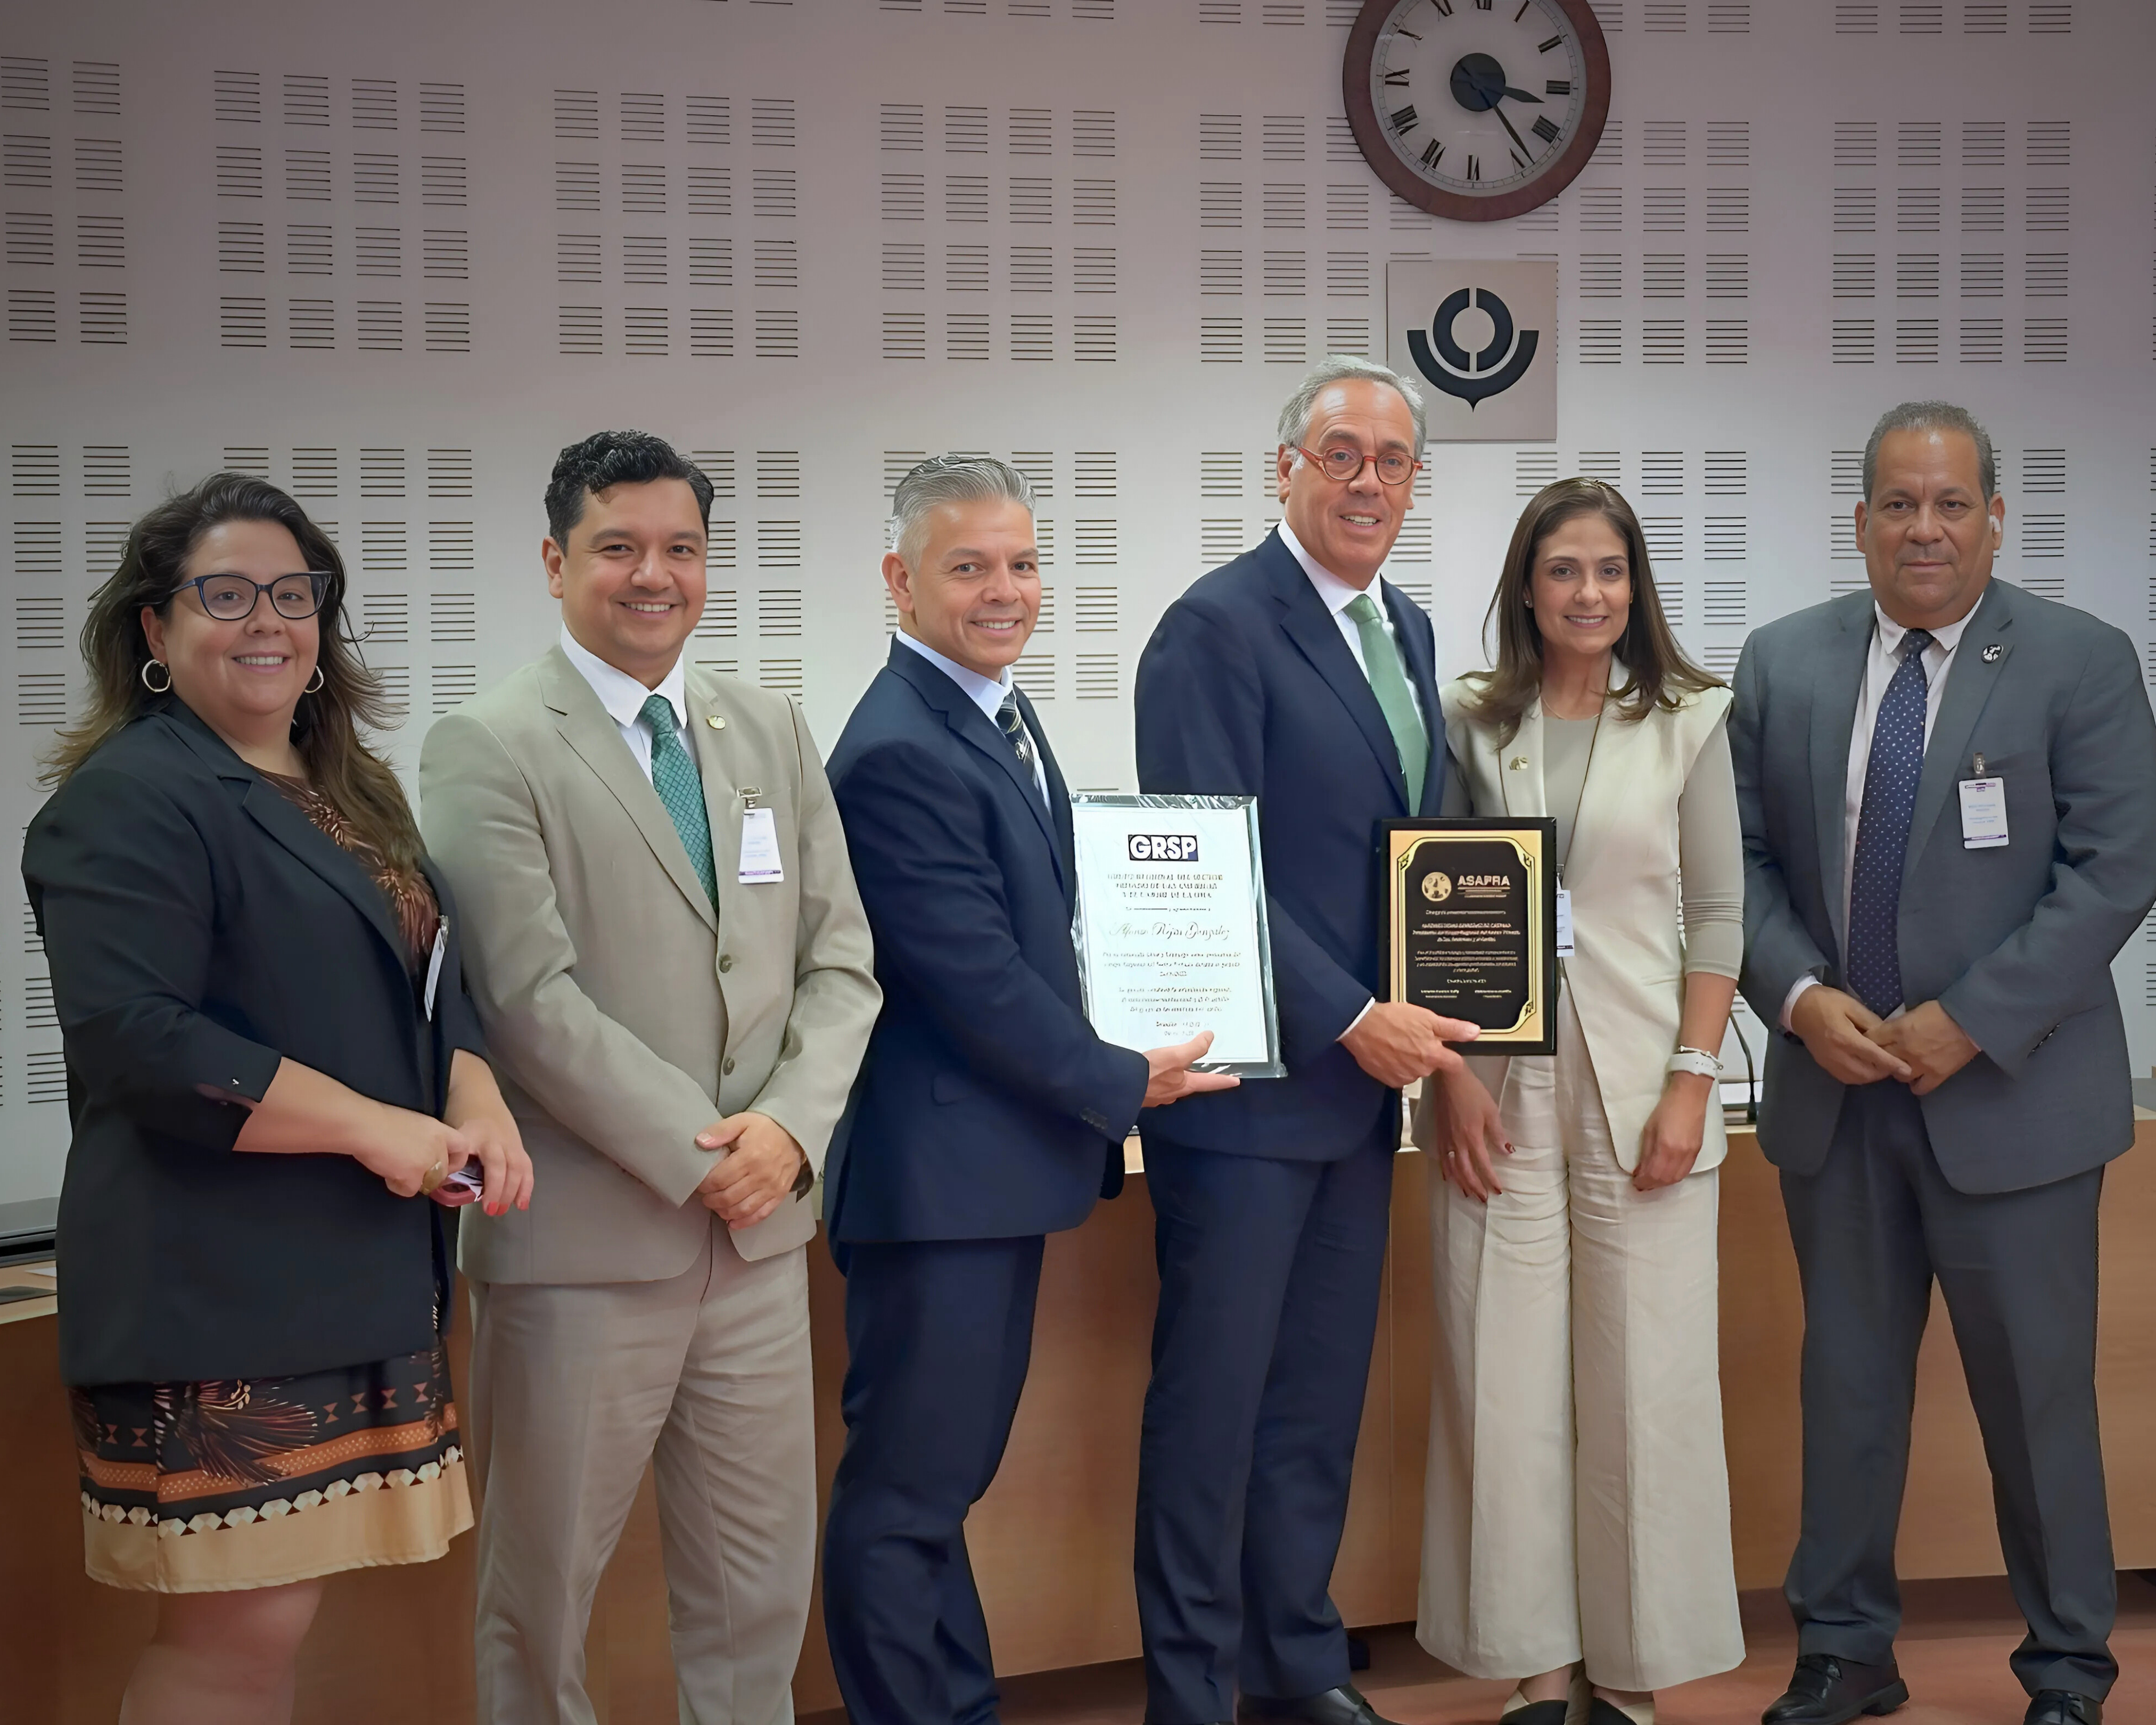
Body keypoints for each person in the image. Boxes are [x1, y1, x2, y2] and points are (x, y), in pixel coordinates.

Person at [23, 473, 532, 1725]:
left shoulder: (349, 791)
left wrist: (477, 1093)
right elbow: (141, 1040)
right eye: (227, 594)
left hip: (345, 1280)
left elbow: (430, 978)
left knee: (274, 1631)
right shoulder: (125, 801)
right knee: (232, 1645)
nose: (267, 622)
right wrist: (376, 1130)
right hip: (216, 1290)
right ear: (155, 628)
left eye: (293, 595)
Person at [418, 431, 879, 1725]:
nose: (652, 576)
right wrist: (714, 1155)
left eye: (680, 548)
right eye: (618, 548)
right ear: (557, 561)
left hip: (759, 1243)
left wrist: (786, 1134)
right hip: (583, 1252)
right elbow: (526, 1003)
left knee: (756, 1598)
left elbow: (842, 960)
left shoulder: (765, 727)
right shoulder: (488, 745)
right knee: (544, 1600)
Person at [1733, 401, 2156, 1725]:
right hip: (1837, 1096)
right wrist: (1800, 999)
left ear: (1992, 520)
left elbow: (2115, 871)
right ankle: (1845, 1647)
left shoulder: (2080, 662)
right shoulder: (1785, 662)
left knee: (2037, 1404)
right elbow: (1734, 865)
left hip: (2016, 1102)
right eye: (1900, 505)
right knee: (1846, 1391)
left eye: (1952, 504)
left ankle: (2069, 1669)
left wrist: (1967, 1019)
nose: (1926, 528)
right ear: (1859, 522)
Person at [820, 456, 1238, 1724]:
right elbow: (976, 981)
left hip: (985, 1177)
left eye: (1023, 563)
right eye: (970, 567)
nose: (1006, 591)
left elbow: (1046, 929)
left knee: (939, 1491)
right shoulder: (900, 748)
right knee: (905, 1501)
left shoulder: (994, 710)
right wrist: (1121, 1077)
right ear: (900, 580)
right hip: (938, 1187)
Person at [1131, 357, 1477, 1725]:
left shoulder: (1412, 633)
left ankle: (1298, 1671)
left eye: (1393, 462)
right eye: (1341, 455)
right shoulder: (1212, 628)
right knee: (1213, 1416)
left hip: (1354, 1106)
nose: (1368, 483)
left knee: (1315, 1412)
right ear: (1285, 469)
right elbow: (1211, 863)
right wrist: (1349, 1012)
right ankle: (1194, 1694)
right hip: (1244, 1099)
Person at [1415, 479, 1746, 1725]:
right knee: (1501, 1376)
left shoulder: (1691, 718)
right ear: (1527, 587)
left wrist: (1691, 1081)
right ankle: (1537, 1663)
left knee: (1642, 1383)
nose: (1589, 594)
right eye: (1563, 571)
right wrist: (1447, 1080)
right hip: (1496, 1088)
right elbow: (1422, 912)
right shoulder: (1467, 719)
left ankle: (1629, 1666)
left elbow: (1717, 913)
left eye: (1609, 571)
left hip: (1643, 1080)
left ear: (1636, 585)